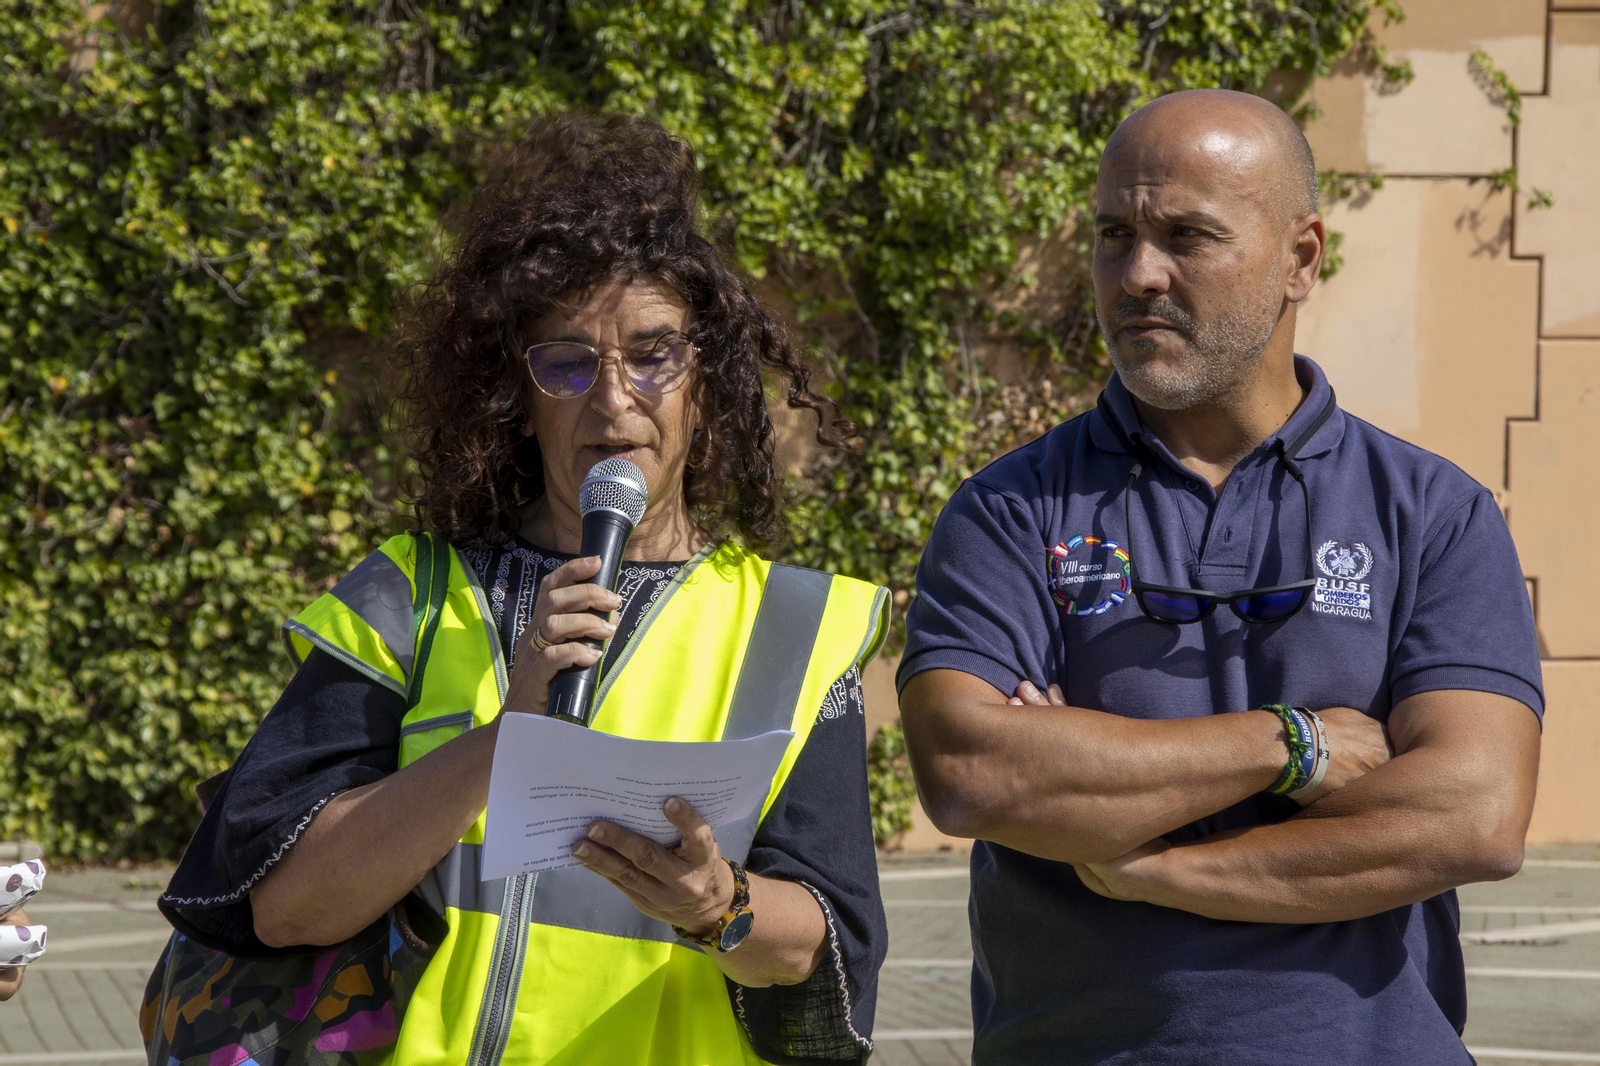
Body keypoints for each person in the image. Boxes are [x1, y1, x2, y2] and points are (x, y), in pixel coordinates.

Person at [158, 114, 890, 1065]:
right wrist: (503, 737)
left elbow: (826, 946)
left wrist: (722, 907)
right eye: (568, 362)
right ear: (517, 394)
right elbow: (288, 903)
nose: (614, 398)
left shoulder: (797, 625)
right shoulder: (411, 596)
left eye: (653, 353)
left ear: (707, 381)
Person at [898, 89, 1542, 1065]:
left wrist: (1146, 863)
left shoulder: (1430, 511)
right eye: (1114, 235)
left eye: (1186, 236)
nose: (1138, 273)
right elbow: (973, 771)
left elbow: (1473, 815)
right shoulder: (1008, 509)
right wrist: (1297, 744)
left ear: (1301, 257)